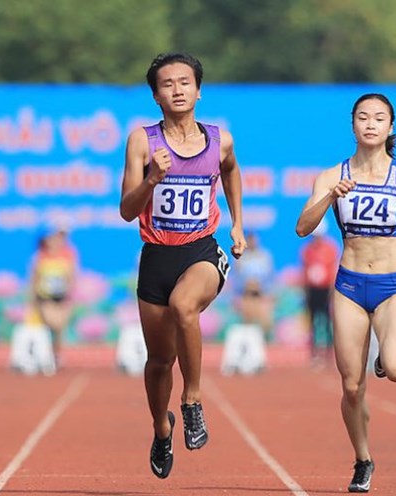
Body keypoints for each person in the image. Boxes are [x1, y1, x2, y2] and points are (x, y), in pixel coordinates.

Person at [295, 93, 396, 493]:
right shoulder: (332, 176)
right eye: (363, 117)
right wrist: (331, 196)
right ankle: (363, 459)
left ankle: (387, 355)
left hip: (391, 284)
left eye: (379, 118)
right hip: (349, 285)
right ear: (352, 125)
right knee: (351, 386)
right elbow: (302, 227)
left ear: (390, 128)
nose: (370, 124)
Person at [119, 52, 246, 479]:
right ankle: (161, 428)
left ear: (198, 90)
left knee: (184, 305)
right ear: (156, 94)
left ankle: (192, 400)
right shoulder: (142, 141)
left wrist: (238, 225)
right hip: (156, 256)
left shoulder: (219, 139)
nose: (177, 89)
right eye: (168, 84)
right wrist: (152, 178)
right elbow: (125, 208)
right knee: (158, 362)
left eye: (185, 82)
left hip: (201, 251)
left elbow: (231, 171)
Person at [29, 226, 78, 369]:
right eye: (50, 240)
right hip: (46, 297)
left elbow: (71, 277)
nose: (53, 242)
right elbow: (34, 278)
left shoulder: (67, 255)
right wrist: (33, 298)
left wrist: (70, 295)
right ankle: (47, 354)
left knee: (59, 329)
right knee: (52, 324)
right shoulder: (40, 257)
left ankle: (56, 355)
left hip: (62, 297)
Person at [300, 227, 339, 367]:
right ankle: (314, 351)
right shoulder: (307, 250)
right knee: (313, 321)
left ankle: (328, 352)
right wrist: (305, 289)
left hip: (325, 289)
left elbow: (333, 269)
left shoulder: (330, 248)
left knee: (327, 320)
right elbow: (304, 270)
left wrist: (332, 289)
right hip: (312, 289)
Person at [233, 231, 274, 336]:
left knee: (265, 318)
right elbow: (237, 278)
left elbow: (269, 277)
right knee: (247, 317)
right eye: (249, 240)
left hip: (261, 294)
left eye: (254, 240)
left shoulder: (264, 256)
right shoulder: (241, 258)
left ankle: (265, 341)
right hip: (245, 294)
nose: (252, 242)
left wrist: (263, 290)